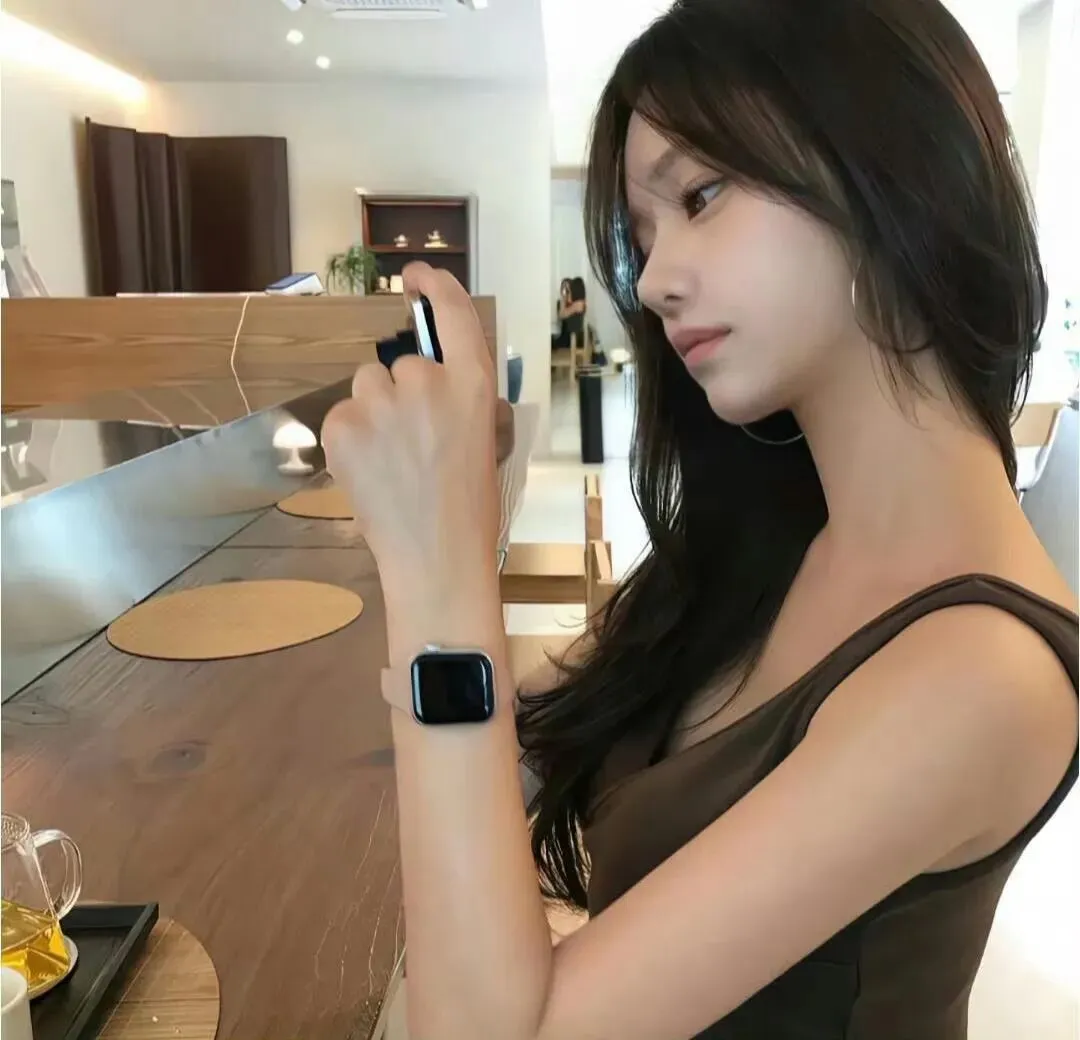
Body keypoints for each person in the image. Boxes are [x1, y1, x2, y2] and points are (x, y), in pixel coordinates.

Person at [321, 1, 1079, 1038]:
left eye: (701, 196)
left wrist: (441, 572)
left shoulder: (983, 675)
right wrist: (433, 544)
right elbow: (537, 719)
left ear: (887, 165)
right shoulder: (764, 542)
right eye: (642, 235)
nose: (654, 281)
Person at [552, 275, 587, 351]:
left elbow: (562, 315)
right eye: (563, 288)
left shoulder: (579, 303)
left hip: (572, 339)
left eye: (568, 289)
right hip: (564, 337)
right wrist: (564, 298)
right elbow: (560, 315)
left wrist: (565, 297)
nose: (566, 291)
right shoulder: (562, 303)